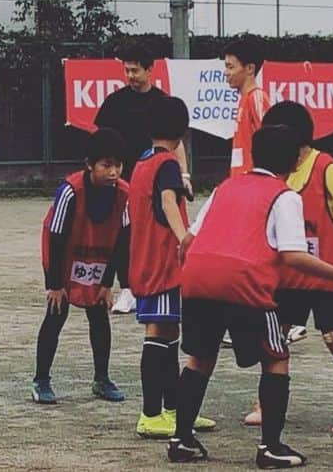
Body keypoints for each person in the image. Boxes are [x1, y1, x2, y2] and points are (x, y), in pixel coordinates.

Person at [167, 125, 333, 467]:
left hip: (199, 278)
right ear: (295, 159)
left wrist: (195, 275)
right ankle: (270, 447)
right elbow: (294, 255)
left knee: (199, 359)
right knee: (276, 358)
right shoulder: (285, 196)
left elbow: (188, 241)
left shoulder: (226, 187)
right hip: (243, 281)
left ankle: (181, 439)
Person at [241, 101, 333, 435]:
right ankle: (269, 402)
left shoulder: (325, 166)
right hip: (289, 275)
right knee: (276, 337)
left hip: (326, 274)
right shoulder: (278, 172)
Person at [128, 94, 215, 440]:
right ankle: (151, 414)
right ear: (183, 132)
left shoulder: (142, 162)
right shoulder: (165, 165)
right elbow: (166, 200)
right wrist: (184, 237)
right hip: (164, 261)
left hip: (145, 258)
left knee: (169, 334)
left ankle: (175, 410)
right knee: (158, 333)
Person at [31, 128, 131, 405]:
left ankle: (102, 378)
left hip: (98, 254)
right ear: (89, 165)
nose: (113, 172)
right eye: (106, 165)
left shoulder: (125, 194)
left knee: (99, 315)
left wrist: (107, 284)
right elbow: (55, 237)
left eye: (118, 165)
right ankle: (41, 380)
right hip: (63, 256)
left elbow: (122, 240)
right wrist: (55, 284)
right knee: (56, 314)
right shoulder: (70, 191)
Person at [93, 46, 191, 315]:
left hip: (153, 177)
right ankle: (126, 287)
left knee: (150, 234)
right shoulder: (115, 102)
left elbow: (176, 143)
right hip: (123, 179)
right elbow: (101, 139)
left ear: (150, 70)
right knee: (121, 232)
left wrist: (184, 174)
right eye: (127, 70)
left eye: (135, 70)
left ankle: (154, 283)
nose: (130, 75)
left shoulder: (161, 103)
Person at [225, 36, 271, 179]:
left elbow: (271, 141)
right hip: (241, 180)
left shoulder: (257, 97)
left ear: (250, 68)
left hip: (254, 182)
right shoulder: (244, 99)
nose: (226, 73)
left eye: (230, 67)